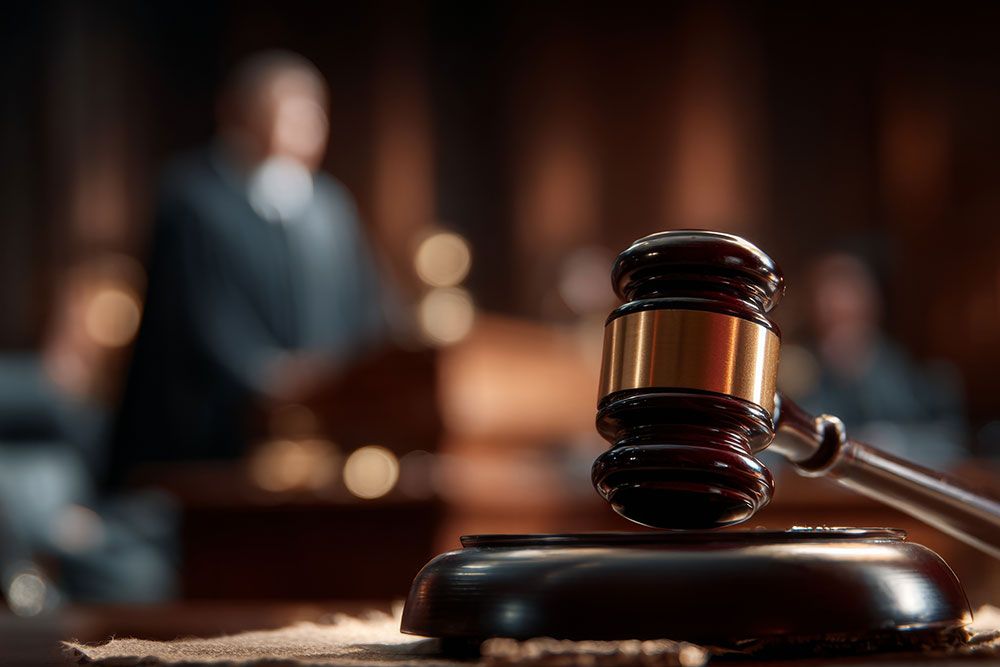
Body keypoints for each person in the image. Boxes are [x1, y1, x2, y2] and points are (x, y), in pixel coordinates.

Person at [110, 51, 393, 483]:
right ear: (242, 115)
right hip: (215, 444)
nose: (304, 129)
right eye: (287, 113)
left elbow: (370, 309)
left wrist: (357, 375)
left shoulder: (330, 208)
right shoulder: (194, 200)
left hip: (327, 434)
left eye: (314, 115)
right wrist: (269, 377)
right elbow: (198, 318)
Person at [790, 252, 966, 469]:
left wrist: (894, 440)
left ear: (871, 306)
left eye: (848, 304)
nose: (838, 314)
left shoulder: (913, 377)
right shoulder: (803, 375)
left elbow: (949, 442)